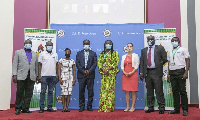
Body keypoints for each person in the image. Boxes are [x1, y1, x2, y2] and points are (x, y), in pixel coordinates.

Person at [139, 35, 167, 114]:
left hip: (157, 72)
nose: (150, 41)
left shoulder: (160, 48)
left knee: (159, 91)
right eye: (149, 39)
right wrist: (141, 72)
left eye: (152, 39)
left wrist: (159, 64)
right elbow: (142, 62)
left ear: (154, 40)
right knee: (149, 91)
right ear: (147, 40)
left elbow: (165, 58)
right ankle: (150, 107)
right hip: (147, 72)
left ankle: (161, 107)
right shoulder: (144, 50)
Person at [12, 39, 38, 115]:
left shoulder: (35, 54)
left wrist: (36, 76)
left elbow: (36, 66)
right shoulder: (18, 52)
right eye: (27, 43)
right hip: (21, 75)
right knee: (19, 93)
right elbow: (15, 64)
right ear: (24, 44)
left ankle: (25, 108)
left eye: (30, 43)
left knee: (29, 93)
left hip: (31, 76)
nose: (28, 44)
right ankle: (18, 108)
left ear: (31, 45)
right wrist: (14, 75)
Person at [167, 37, 190, 116]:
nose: (174, 42)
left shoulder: (183, 49)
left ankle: (185, 110)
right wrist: (168, 74)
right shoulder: (170, 52)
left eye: (175, 41)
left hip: (181, 72)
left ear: (179, 42)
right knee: (175, 92)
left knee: (182, 91)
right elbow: (169, 63)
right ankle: (176, 109)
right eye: (172, 41)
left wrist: (186, 72)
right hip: (172, 73)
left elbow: (187, 61)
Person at [98, 40, 119, 112]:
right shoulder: (101, 53)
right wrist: (103, 70)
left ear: (112, 45)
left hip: (111, 74)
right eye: (107, 43)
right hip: (104, 75)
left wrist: (107, 70)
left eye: (110, 44)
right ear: (104, 45)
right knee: (103, 90)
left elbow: (115, 63)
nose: (108, 45)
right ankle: (102, 107)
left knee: (110, 90)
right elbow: (99, 63)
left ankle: (109, 107)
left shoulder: (115, 53)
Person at [76, 39, 97, 112]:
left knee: (90, 92)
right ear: (83, 45)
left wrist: (89, 71)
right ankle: (81, 106)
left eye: (87, 44)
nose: (86, 45)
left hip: (90, 75)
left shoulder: (93, 53)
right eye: (85, 44)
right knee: (81, 92)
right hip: (81, 75)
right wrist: (83, 71)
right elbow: (77, 64)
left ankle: (89, 106)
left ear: (89, 44)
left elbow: (95, 64)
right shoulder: (79, 53)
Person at [38, 41, 58, 113]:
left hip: (53, 76)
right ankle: (41, 107)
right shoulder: (42, 54)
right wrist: (39, 75)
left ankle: (49, 107)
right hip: (44, 76)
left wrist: (57, 75)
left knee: (50, 92)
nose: (49, 46)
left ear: (52, 46)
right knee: (43, 92)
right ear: (46, 46)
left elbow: (56, 65)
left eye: (51, 45)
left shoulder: (55, 54)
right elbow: (39, 65)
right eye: (48, 45)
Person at [121, 43, 139, 112]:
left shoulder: (135, 55)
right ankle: (127, 106)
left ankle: (133, 106)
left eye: (130, 46)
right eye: (128, 46)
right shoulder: (123, 56)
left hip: (133, 74)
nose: (129, 48)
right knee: (126, 91)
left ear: (133, 48)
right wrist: (124, 72)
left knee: (133, 91)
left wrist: (131, 72)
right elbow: (122, 66)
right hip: (125, 75)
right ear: (126, 48)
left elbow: (137, 65)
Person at [58, 48, 76, 112]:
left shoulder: (72, 61)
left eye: (68, 52)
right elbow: (59, 70)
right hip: (63, 78)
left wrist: (74, 79)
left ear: (70, 53)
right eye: (66, 52)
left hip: (70, 79)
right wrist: (59, 78)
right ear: (65, 53)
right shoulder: (61, 60)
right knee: (63, 93)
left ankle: (67, 107)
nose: (67, 53)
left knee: (69, 94)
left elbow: (74, 70)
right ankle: (63, 107)